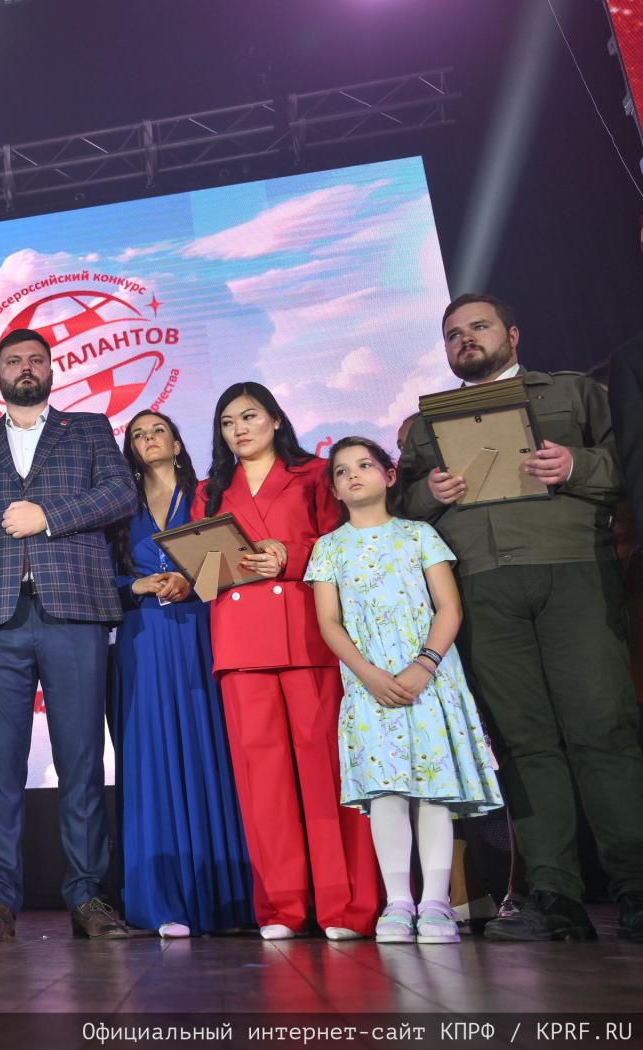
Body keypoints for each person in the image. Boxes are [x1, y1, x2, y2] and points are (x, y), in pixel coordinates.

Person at [399, 293, 643, 942]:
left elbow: (630, 464)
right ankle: (555, 896)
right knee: (523, 741)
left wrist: (576, 465)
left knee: (604, 728)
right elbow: (399, 511)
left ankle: (636, 887)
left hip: (574, 572)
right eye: (453, 334)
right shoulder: (425, 425)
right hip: (481, 588)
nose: (465, 339)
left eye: (478, 327)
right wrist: (429, 492)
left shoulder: (573, 393)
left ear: (512, 334)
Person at [0, 328, 138, 943]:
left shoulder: (87, 428)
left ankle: (87, 895)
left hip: (74, 610)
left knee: (81, 759)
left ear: (52, 370)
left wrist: (49, 517)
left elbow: (121, 493)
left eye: (36, 360)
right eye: (15, 361)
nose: (26, 368)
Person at [194, 382, 380, 941]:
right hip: (240, 644)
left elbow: (342, 545)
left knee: (327, 775)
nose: (239, 429)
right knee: (263, 783)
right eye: (228, 422)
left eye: (250, 416)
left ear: (275, 419)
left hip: (307, 636)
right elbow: (203, 576)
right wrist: (201, 571)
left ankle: (346, 905)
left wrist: (290, 555)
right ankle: (281, 906)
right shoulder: (210, 491)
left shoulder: (314, 475)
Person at [307, 437, 503, 945]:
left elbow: (449, 607)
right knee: (387, 791)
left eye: (364, 465)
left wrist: (425, 664)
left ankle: (435, 902)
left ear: (390, 475)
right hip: (369, 684)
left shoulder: (419, 535)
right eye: (342, 471)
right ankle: (398, 902)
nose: (353, 475)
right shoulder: (328, 548)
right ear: (334, 490)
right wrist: (368, 674)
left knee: (432, 790)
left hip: (430, 680)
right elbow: (329, 622)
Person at [109, 410, 252, 939]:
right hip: (142, 639)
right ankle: (162, 899)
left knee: (211, 750)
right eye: (138, 434)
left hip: (202, 631)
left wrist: (191, 581)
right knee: (151, 757)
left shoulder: (210, 495)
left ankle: (228, 897)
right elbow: (97, 576)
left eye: (158, 431)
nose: (148, 439)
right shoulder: (117, 507)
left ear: (176, 442)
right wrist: (137, 586)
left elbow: (236, 558)